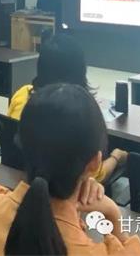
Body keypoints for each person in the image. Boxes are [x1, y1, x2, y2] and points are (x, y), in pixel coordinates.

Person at [0, 84, 140, 256]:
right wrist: (113, 214)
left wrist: (70, 210)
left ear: (22, 145)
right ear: (94, 163)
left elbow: (6, 198)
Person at [8, 33, 127, 181]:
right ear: (79, 70)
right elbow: (92, 175)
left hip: (19, 177)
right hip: (60, 189)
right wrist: (116, 157)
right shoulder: (78, 114)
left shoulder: (21, 94)